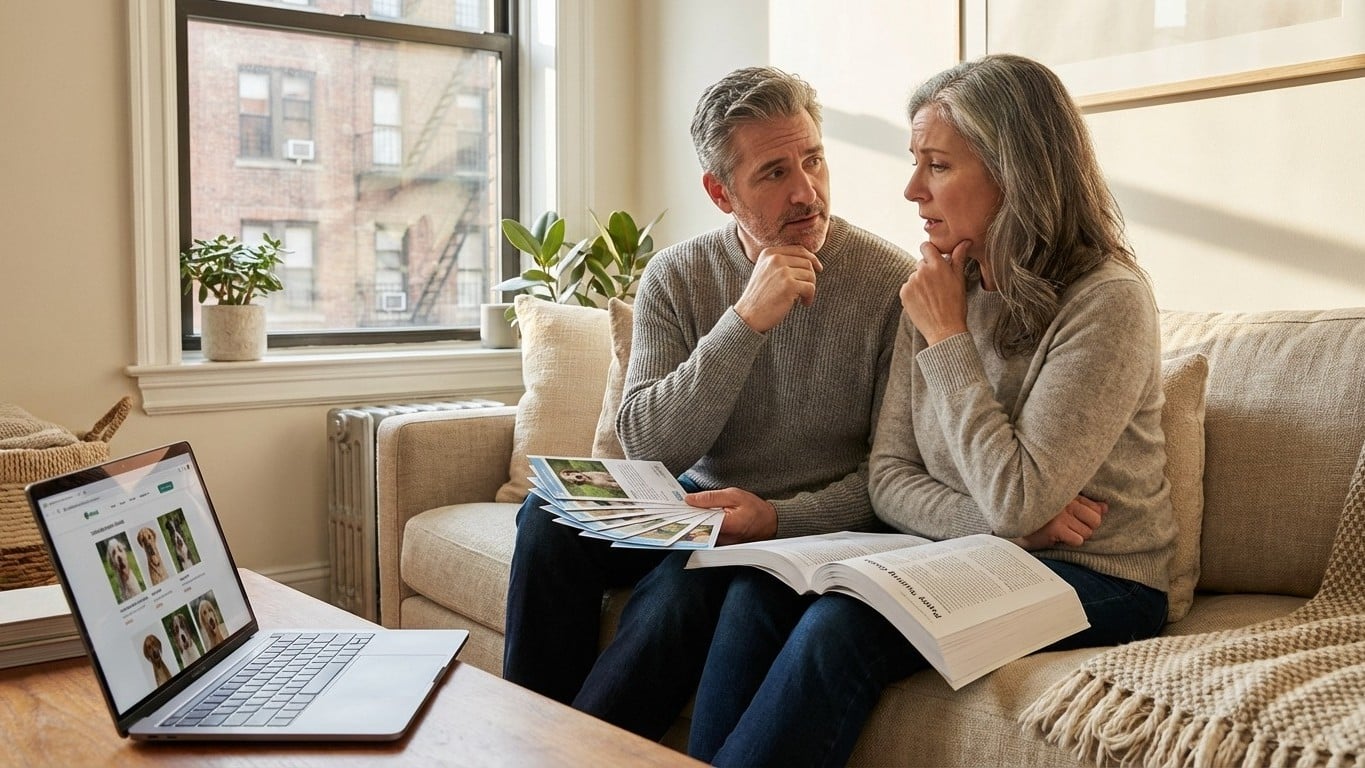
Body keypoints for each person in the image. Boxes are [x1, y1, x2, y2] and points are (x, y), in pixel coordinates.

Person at [687, 54, 1179, 767]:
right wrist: (1001, 524)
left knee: (841, 628)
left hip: (1102, 576)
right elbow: (889, 478)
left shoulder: (1107, 300)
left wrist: (949, 339)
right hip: (975, 549)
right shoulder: (938, 283)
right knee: (753, 592)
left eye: (937, 165)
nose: (912, 189)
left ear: (1013, 171)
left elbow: (1015, 496)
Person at [501, 66, 914, 740]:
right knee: (545, 512)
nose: (806, 192)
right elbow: (650, 446)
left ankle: (572, 753)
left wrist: (775, 517)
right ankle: (525, 730)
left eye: (812, 160)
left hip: (809, 522)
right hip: (695, 499)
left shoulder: (888, 284)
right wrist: (744, 322)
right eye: (773, 173)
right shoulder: (678, 273)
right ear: (719, 192)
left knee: (679, 595)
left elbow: (895, 475)